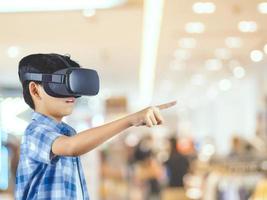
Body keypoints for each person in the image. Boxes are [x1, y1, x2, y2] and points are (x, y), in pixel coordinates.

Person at [15, 53, 176, 200]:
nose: (71, 95)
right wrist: (130, 120)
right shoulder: (34, 132)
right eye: (62, 85)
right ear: (35, 90)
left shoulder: (68, 133)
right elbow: (71, 147)